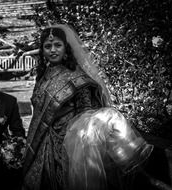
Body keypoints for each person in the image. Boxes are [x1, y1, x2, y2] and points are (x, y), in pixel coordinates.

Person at [22, 24, 154, 190]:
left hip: (68, 144)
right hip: (42, 142)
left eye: (58, 45)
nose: (53, 50)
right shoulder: (42, 76)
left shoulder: (76, 76)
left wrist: (76, 137)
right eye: (47, 46)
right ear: (42, 50)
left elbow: (88, 112)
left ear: (66, 48)